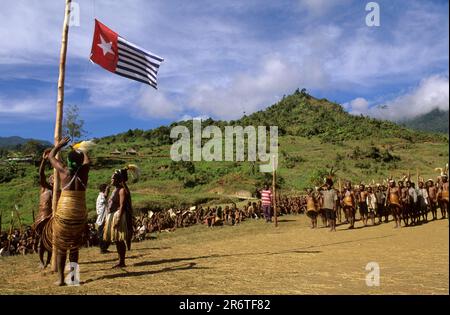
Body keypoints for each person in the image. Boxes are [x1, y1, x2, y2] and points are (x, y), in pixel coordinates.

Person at [45, 137, 90, 286]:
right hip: (79, 216)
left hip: (64, 215)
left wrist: (59, 145)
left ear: (68, 161)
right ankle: (73, 278)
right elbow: (87, 161)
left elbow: (51, 156)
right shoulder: (84, 172)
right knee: (74, 247)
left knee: (61, 247)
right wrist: (80, 150)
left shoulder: (64, 171)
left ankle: (60, 279)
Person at [103, 168, 134, 268]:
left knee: (119, 240)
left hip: (118, 216)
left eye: (113, 178)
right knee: (117, 240)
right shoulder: (116, 189)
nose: (111, 180)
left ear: (118, 180)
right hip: (113, 215)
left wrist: (118, 219)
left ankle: (122, 262)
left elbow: (122, 206)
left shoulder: (121, 191)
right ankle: (121, 261)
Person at [33, 149, 53, 268]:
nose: (54, 178)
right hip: (42, 218)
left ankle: (49, 261)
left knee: (50, 241)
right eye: (52, 177)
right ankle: (41, 261)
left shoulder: (59, 192)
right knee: (41, 241)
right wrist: (44, 161)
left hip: (52, 218)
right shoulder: (45, 188)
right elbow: (41, 174)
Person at [96, 183, 110, 254]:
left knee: (106, 233)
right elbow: (105, 197)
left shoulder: (101, 196)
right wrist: (107, 190)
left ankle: (104, 248)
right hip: (102, 218)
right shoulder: (101, 196)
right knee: (102, 234)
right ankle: (102, 248)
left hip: (104, 217)